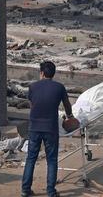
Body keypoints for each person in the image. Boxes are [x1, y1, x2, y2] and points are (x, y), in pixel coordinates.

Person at [21, 61, 74, 197]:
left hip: (34, 127)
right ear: (53, 74)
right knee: (51, 160)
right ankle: (51, 191)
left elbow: (33, 104)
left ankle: (25, 190)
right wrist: (70, 117)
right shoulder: (59, 87)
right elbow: (67, 105)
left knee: (31, 158)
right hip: (50, 128)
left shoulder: (33, 87)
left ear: (42, 73)